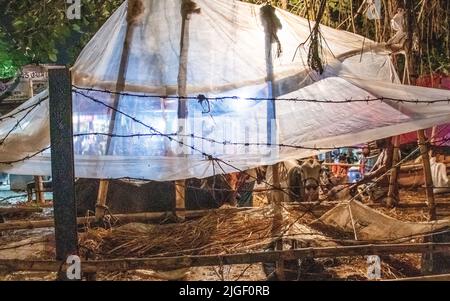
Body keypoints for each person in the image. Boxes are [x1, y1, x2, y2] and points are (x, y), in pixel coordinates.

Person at [357, 138, 397, 204]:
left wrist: (370, 175)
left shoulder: (393, 151)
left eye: (378, 138)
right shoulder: (383, 151)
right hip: (378, 184)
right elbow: (376, 166)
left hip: (387, 187)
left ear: (386, 138)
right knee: (360, 187)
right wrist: (367, 176)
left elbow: (384, 168)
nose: (375, 141)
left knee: (366, 192)